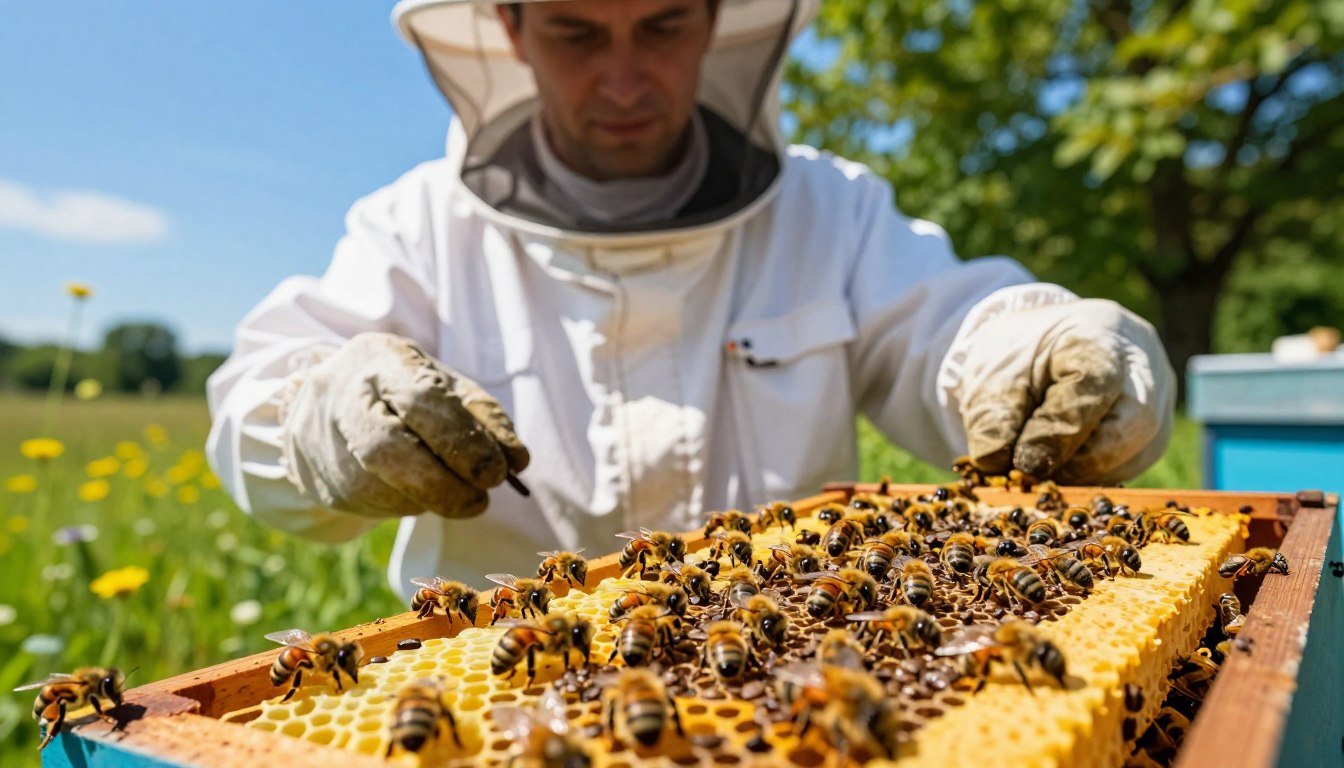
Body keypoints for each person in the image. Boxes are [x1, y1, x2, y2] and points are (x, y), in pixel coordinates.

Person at [205, 0, 1174, 595]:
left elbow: (947, 328)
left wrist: (1036, 347)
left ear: (714, 21)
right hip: (498, 705)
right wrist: (321, 420)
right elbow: (261, 401)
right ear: (510, 27)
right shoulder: (415, 228)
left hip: (798, 694)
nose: (625, 79)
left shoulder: (830, 209)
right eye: (577, 32)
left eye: (663, 25)